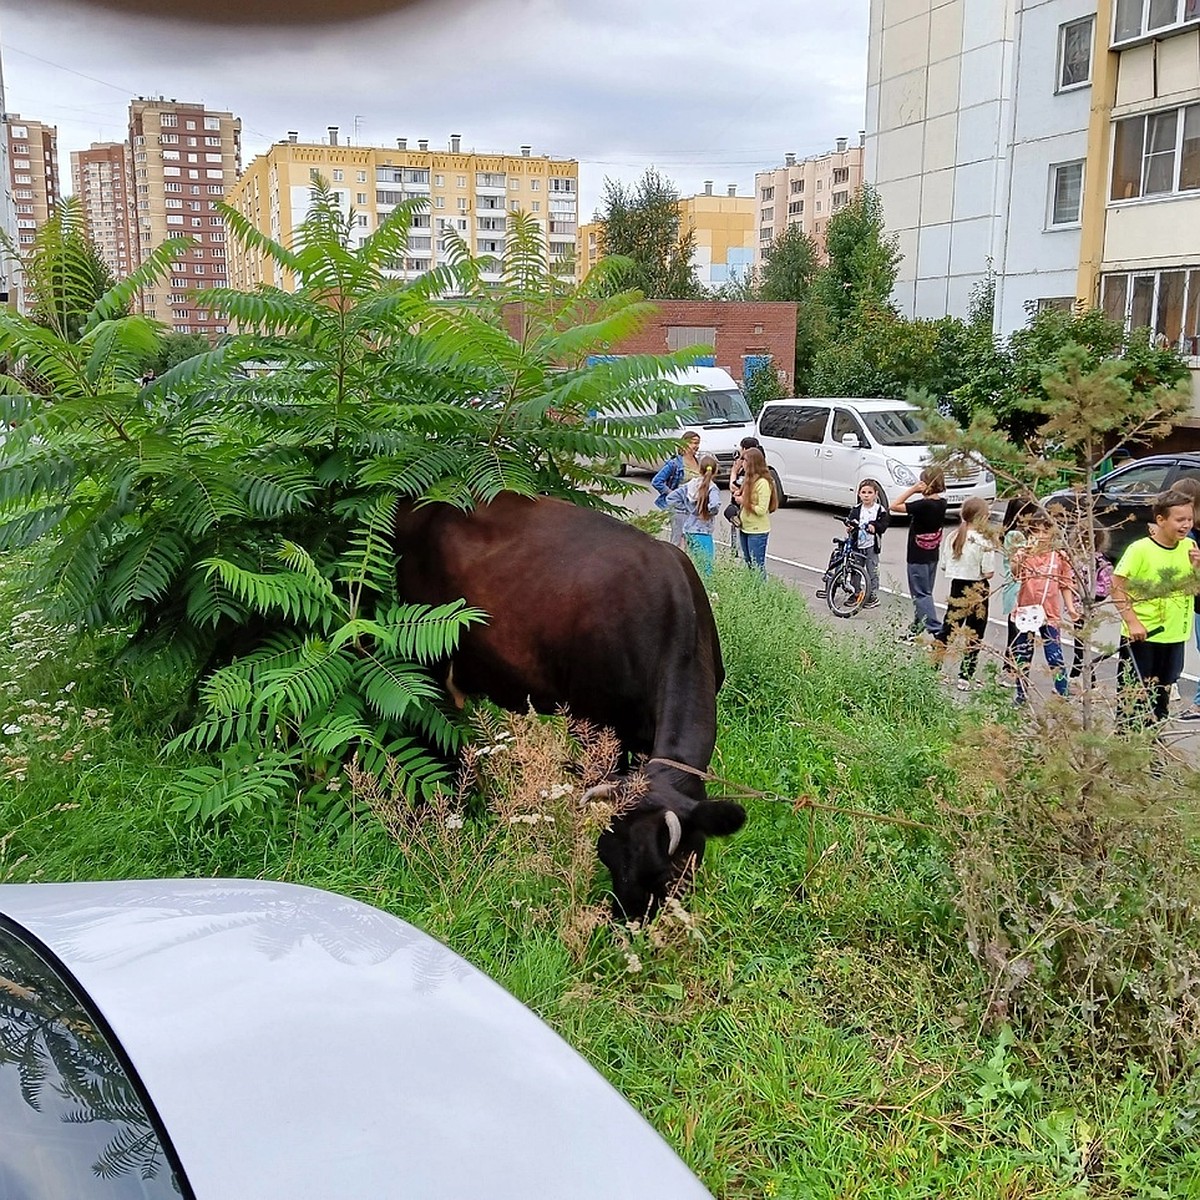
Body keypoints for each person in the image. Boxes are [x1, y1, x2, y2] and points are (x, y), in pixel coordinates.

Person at [1111, 490, 1200, 728]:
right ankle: (1127, 749)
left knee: (1162, 698)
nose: (1186, 525)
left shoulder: (1190, 547)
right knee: (1134, 698)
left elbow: (1192, 589)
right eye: (1179, 520)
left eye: (1189, 519)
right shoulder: (1140, 549)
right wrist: (1132, 622)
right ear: (1161, 519)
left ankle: (1152, 750)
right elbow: (1117, 587)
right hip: (1144, 636)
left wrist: (1197, 567)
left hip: (1175, 636)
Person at [1011, 514, 1077, 705]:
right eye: (1035, 531)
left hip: (1049, 613)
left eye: (1045, 531)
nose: (1040, 536)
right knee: (1023, 653)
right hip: (1026, 611)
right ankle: (1021, 693)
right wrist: (1020, 556)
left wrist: (1071, 608)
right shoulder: (1024, 553)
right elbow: (1015, 574)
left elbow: (1065, 584)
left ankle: (1062, 690)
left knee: (1054, 653)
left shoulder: (1059, 556)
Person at [933, 497, 995, 689]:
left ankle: (934, 667)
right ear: (982, 517)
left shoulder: (953, 536)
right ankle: (965, 676)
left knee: (949, 628)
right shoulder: (984, 540)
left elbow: (944, 565)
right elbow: (989, 571)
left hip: (957, 586)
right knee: (975, 633)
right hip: (978, 587)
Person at [890, 466, 948, 639]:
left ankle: (935, 629)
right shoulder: (942, 503)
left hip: (917, 555)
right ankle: (917, 627)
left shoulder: (923, 505)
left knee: (921, 594)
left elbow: (894, 506)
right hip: (932, 554)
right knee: (926, 591)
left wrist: (913, 490)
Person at [817, 480, 889, 608]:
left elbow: (883, 525)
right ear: (859, 494)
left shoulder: (879, 510)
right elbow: (851, 521)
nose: (866, 495)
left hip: (871, 545)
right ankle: (856, 593)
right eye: (863, 492)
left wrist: (874, 527)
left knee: (872, 571)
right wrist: (850, 527)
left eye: (870, 493)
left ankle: (872, 595)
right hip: (857, 545)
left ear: (876, 494)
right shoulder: (856, 509)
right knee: (855, 569)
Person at [1065, 525, 1114, 683]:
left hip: (1086, 606)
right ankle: (1077, 676)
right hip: (1078, 605)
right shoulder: (1076, 558)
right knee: (1080, 641)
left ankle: (1085, 679)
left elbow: (1104, 587)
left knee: (1081, 643)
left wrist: (1083, 592)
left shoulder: (1099, 561)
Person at [998, 498, 1037, 682]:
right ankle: (1012, 668)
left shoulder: (1012, 533)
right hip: (1018, 587)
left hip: (1016, 587)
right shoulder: (1017, 536)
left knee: (1020, 630)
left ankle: (1014, 666)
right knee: (1019, 631)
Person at [666, 455, 721, 575]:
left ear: (699, 469)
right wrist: (707, 512)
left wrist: (686, 510)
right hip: (703, 530)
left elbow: (671, 498)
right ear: (715, 471)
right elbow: (715, 505)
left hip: (689, 528)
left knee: (694, 562)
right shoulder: (712, 488)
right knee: (706, 565)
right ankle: (707, 588)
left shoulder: (690, 485)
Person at [652, 431, 701, 548]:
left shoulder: (698, 461)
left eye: (698, 443)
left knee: (692, 539)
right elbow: (657, 481)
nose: (697, 446)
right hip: (679, 507)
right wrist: (672, 494)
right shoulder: (675, 464)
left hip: (695, 507)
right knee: (678, 539)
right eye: (694, 443)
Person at [736, 446, 778, 573]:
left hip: (757, 531)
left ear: (752, 463)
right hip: (745, 527)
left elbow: (761, 509)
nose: (742, 463)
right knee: (748, 563)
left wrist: (744, 501)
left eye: (744, 460)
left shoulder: (763, 483)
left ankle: (761, 590)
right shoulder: (748, 480)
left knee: (757, 566)